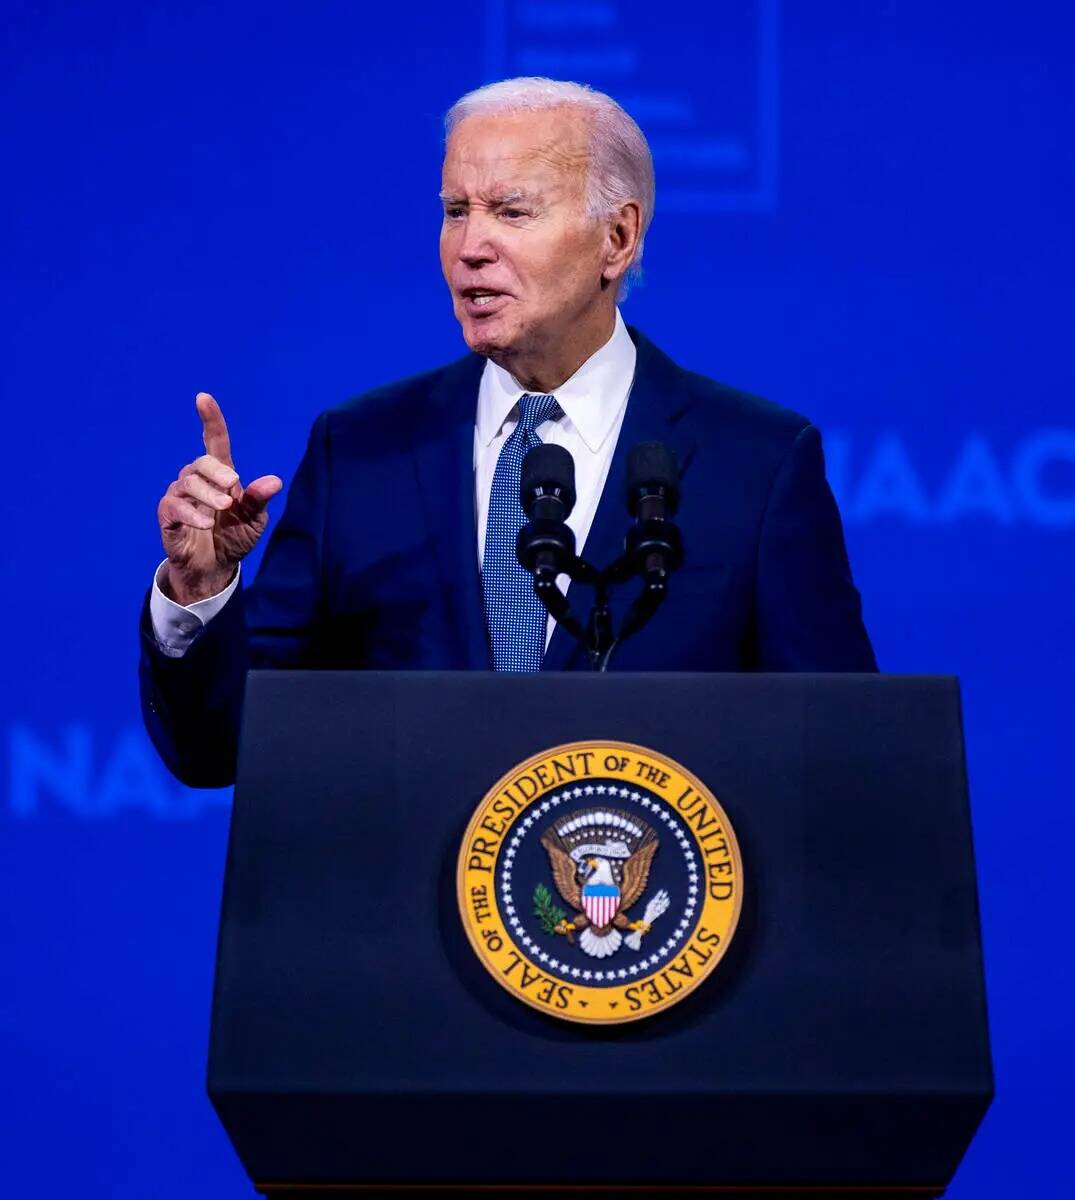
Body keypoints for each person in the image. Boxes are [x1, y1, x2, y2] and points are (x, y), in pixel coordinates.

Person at [141, 77, 876, 788]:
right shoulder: (360, 451)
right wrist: (201, 591)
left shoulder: (754, 464)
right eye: (455, 210)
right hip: (407, 910)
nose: (469, 246)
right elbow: (223, 747)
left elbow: (840, 760)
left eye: (511, 212)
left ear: (616, 239)